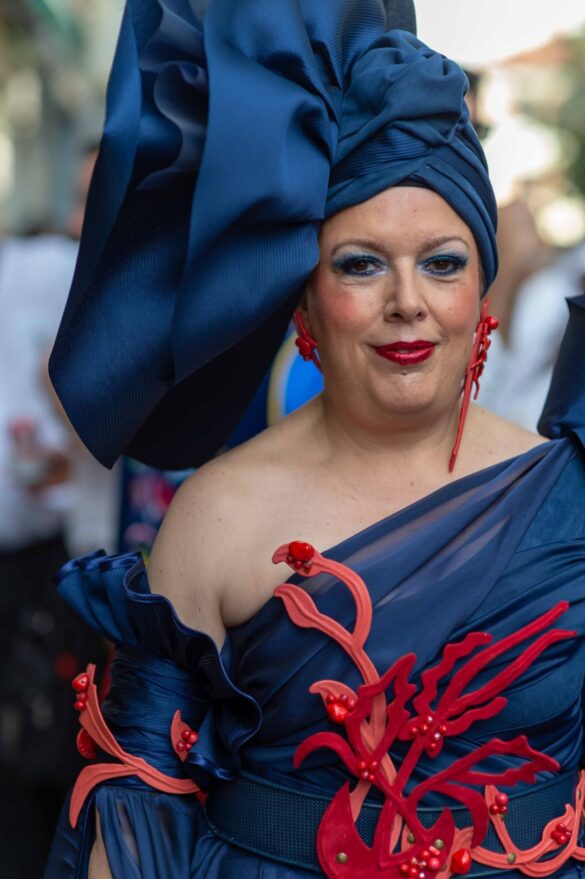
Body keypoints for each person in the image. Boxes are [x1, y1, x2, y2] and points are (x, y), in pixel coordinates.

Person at [45, 2, 585, 878]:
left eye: (441, 262)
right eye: (360, 264)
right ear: (304, 298)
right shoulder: (218, 513)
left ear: (482, 286)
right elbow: (132, 812)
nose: (406, 301)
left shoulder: (567, 490)